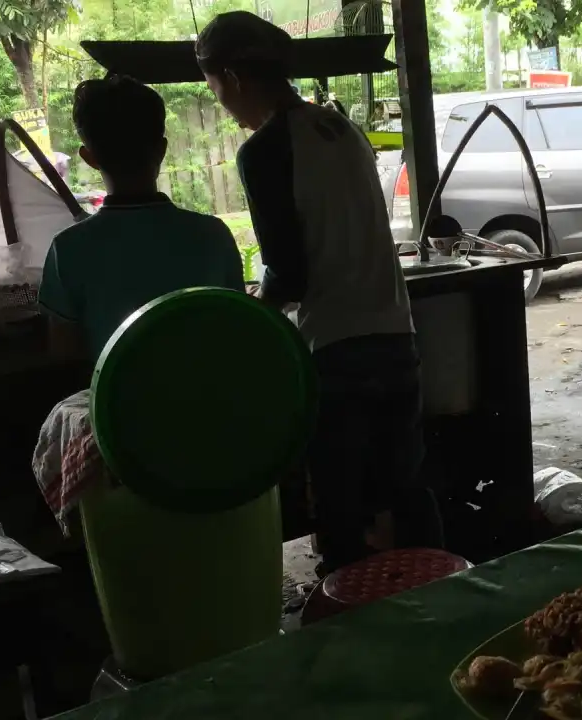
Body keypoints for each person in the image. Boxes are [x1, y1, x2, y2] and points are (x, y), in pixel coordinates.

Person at [196, 11, 439, 572]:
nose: (220, 101)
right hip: (396, 333)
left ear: (231, 77)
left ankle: (345, 624)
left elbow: (290, 271)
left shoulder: (263, 150)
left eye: (214, 86)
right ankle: (436, 592)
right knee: (404, 488)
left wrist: (256, 312)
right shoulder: (338, 127)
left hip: (336, 347)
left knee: (341, 506)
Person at [39, 75, 245, 362]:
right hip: (210, 401)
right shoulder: (214, 235)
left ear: (89, 158)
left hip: (118, 406)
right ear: (161, 150)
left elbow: (64, 355)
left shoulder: (68, 250)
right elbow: (237, 328)